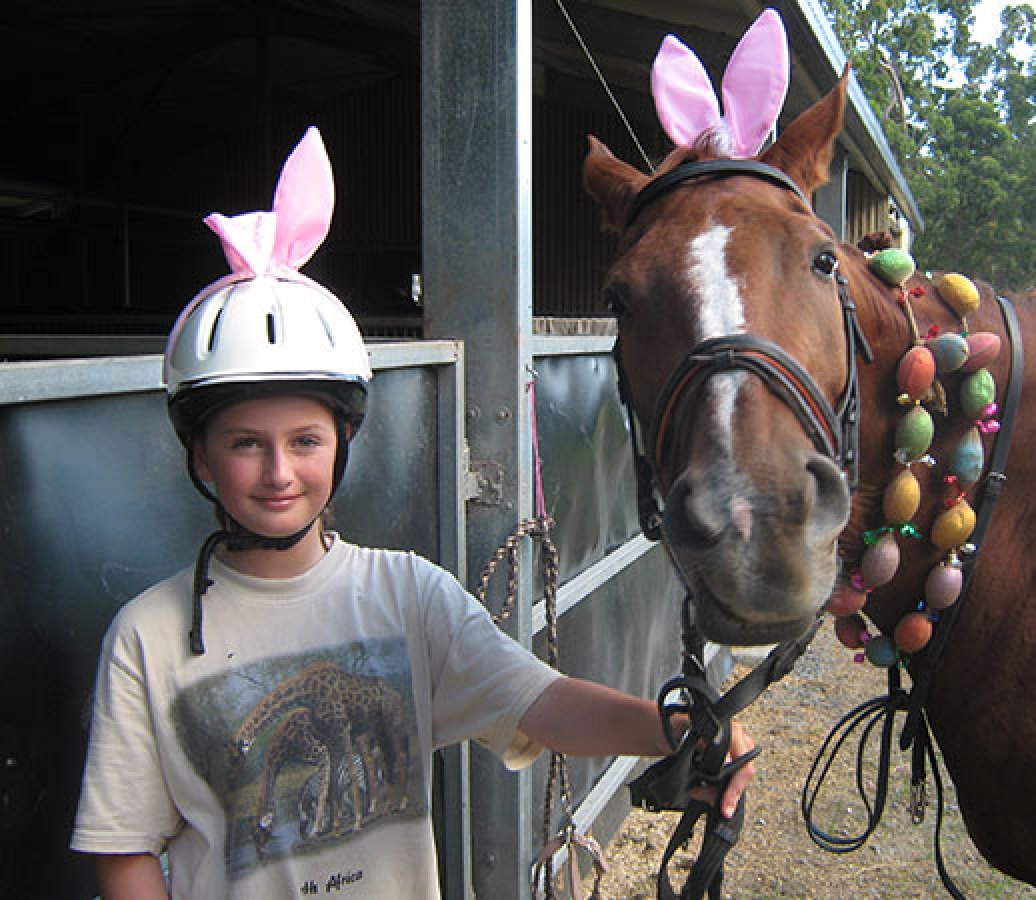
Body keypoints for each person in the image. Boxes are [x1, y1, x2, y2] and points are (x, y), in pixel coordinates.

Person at [70, 128, 754, 899]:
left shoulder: (408, 597)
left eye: (304, 440)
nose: (278, 472)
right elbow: (126, 849)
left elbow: (542, 701)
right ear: (200, 458)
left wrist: (684, 729)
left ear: (342, 443)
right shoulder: (147, 638)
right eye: (243, 443)